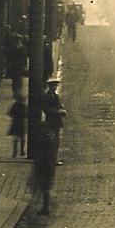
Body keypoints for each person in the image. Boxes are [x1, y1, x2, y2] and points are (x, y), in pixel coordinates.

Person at [38, 76, 67, 215]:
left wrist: (62, 110)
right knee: (52, 141)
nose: (54, 87)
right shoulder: (46, 96)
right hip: (51, 122)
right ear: (49, 86)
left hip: (56, 122)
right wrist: (58, 112)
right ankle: (53, 158)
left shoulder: (55, 95)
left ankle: (54, 158)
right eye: (53, 85)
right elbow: (47, 110)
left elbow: (58, 106)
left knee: (56, 142)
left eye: (55, 85)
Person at [8, 94, 28, 158]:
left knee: (15, 139)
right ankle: (22, 151)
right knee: (22, 138)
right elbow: (27, 115)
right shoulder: (25, 106)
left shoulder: (15, 105)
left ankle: (15, 153)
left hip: (16, 122)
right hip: (22, 123)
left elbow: (10, 113)